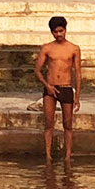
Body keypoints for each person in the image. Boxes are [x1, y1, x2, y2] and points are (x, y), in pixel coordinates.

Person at [36, 15, 82, 163]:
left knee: (67, 124)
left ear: (65, 30)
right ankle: (48, 156)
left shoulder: (74, 48)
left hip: (66, 87)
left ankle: (68, 156)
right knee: (49, 123)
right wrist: (47, 85)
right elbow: (37, 70)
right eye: (55, 32)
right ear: (52, 32)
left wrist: (78, 96)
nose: (59, 34)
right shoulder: (47, 48)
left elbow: (78, 73)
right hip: (50, 88)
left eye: (61, 31)